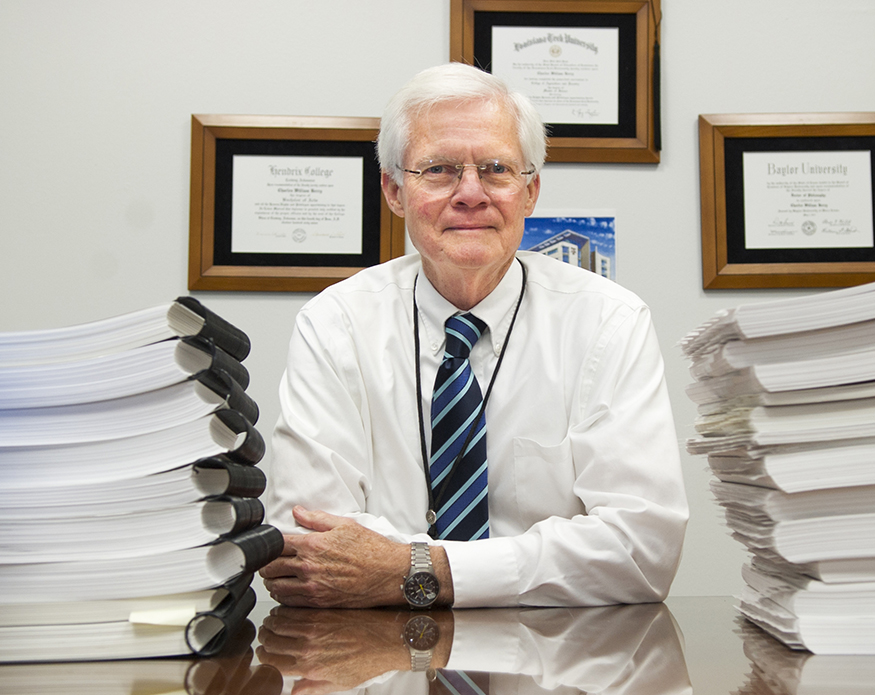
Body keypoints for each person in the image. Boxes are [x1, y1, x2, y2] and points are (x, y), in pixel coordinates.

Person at [260, 62, 687, 609]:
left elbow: (642, 551)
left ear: (529, 192)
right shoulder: (334, 323)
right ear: (393, 191)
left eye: (496, 169)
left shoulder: (609, 322)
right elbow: (307, 549)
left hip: (560, 664)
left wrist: (414, 570)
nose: (470, 193)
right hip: (371, 664)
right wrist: (534, 564)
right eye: (438, 169)